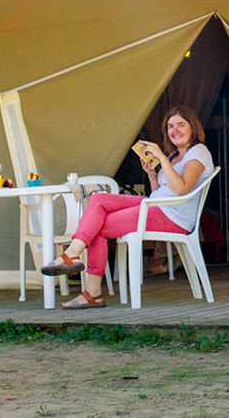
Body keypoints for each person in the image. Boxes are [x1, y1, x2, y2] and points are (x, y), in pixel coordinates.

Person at [40, 106, 214, 309]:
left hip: (174, 216)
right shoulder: (175, 154)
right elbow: (160, 191)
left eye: (180, 125)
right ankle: (74, 256)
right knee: (99, 200)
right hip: (156, 205)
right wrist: (151, 173)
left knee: (99, 226)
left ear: (193, 127)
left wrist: (162, 158)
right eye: (170, 126)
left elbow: (180, 190)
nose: (174, 131)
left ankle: (90, 289)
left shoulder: (198, 152)